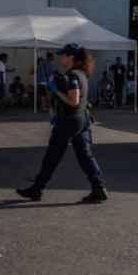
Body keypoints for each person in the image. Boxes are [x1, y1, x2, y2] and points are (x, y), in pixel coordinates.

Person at [16, 43, 108, 203]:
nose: (60, 58)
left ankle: (37, 188)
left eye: (63, 55)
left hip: (71, 119)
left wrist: (56, 91)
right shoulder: (82, 73)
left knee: (53, 154)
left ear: (71, 57)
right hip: (83, 119)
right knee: (85, 156)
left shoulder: (73, 75)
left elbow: (73, 101)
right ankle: (99, 188)